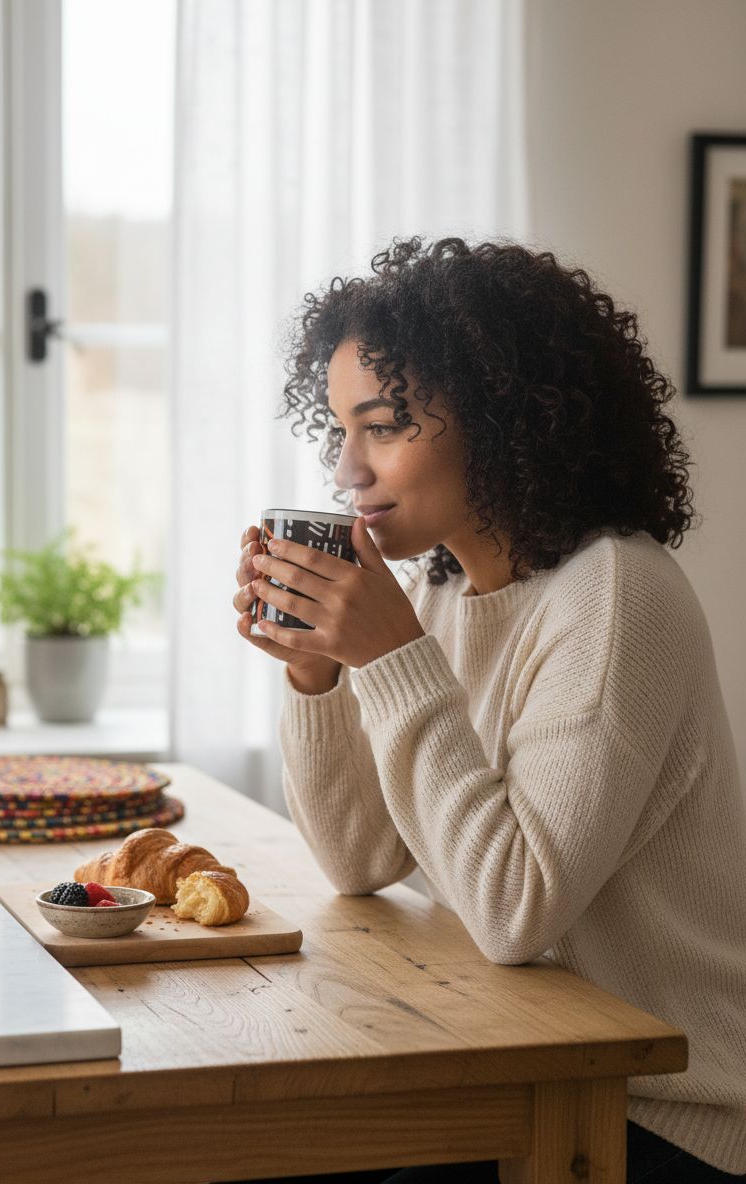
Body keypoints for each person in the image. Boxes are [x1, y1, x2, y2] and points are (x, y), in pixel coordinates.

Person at [232, 237, 746, 1182]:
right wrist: (320, 676)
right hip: (510, 1068)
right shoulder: (437, 590)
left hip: (657, 1115)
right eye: (340, 430)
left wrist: (389, 656)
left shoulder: (616, 596)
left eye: (381, 425)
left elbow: (514, 909)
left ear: (505, 421)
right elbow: (360, 860)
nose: (347, 470)